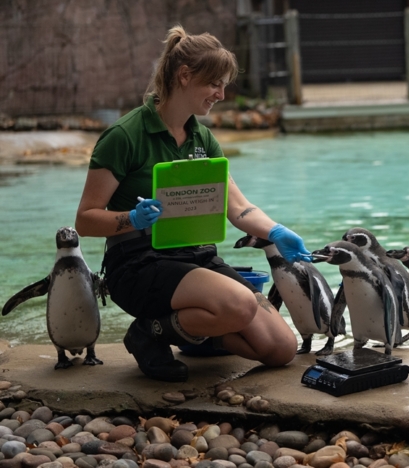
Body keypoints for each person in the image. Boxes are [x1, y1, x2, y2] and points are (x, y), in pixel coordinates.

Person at [75, 25, 308, 382]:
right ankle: (147, 332)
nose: (222, 94)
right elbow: (86, 221)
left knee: (281, 349)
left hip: (196, 257)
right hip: (139, 264)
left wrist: (277, 232)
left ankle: (190, 331)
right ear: (185, 76)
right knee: (241, 304)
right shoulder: (124, 136)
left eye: (225, 85)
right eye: (216, 84)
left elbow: (238, 208)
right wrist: (133, 219)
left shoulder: (203, 138)